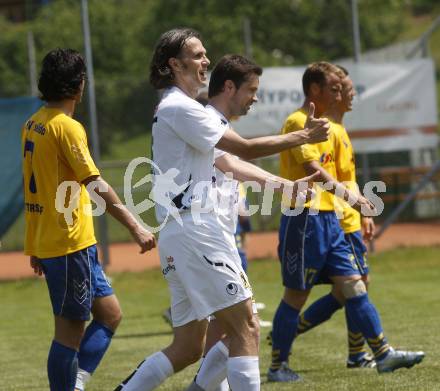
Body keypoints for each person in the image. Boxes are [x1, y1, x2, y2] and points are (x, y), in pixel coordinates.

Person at [115, 29, 329, 391]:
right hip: (197, 230)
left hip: (183, 232)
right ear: (173, 63)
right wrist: (302, 137)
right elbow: (243, 150)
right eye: (198, 55)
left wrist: (284, 187)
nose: (205, 62)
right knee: (244, 326)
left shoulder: (180, 109)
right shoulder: (181, 108)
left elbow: (229, 162)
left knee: (188, 346)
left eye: (205, 55)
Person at [267, 62, 425, 382]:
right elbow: (314, 169)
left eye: (342, 90)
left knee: (354, 285)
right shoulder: (298, 122)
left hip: (331, 221)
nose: (340, 95)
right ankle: (277, 366)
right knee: (296, 296)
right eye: (335, 89)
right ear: (314, 90)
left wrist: (354, 206)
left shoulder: (329, 127)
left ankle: (382, 354)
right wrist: (352, 199)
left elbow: (340, 176)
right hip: (304, 219)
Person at [22, 48, 156, 391]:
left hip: (71, 243)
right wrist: (135, 225)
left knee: (110, 314)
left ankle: (76, 382)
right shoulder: (67, 128)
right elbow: (95, 184)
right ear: (79, 85)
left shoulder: (33, 122)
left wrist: (35, 244)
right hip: (68, 244)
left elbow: (34, 190)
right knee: (68, 333)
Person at [295, 66, 376, 368]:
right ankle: (357, 353)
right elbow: (323, 176)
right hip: (336, 219)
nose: (349, 93)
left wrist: (362, 213)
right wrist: (351, 208)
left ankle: (355, 352)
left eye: (348, 88)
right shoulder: (325, 129)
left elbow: (347, 177)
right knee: (354, 287)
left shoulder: (340, 130)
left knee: (350, 289)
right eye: (343, 87)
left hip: (349, 218)